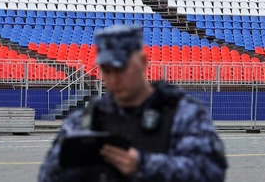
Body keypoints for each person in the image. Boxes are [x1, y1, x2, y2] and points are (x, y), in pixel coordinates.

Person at [39, 24, 226, 182]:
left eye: (120, 68)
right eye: (107, 70)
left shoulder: (181, 112)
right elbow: (48, 176)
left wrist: (143, 164)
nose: (113, 79)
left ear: (142, 62)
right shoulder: (85, 119)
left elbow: (210, 171)